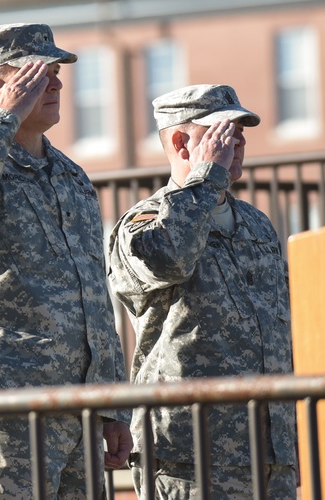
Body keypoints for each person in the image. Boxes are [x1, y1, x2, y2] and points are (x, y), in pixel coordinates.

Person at [0, 22, 132, 499]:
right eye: (38, 74)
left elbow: (95, 298)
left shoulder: (71, 177)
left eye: (57, 72)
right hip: (6, 410)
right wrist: (2, 121)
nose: (56, 83)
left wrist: (114, 403)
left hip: (79, 408)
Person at [107, 84, 298, 499]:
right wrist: (206, 178)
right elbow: (168, 258)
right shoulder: (146, 221)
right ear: (181, 142)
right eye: (223, 131)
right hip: (190, 453)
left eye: (241, 130)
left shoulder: (256, 223)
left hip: (270, 448)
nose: (239, 141)